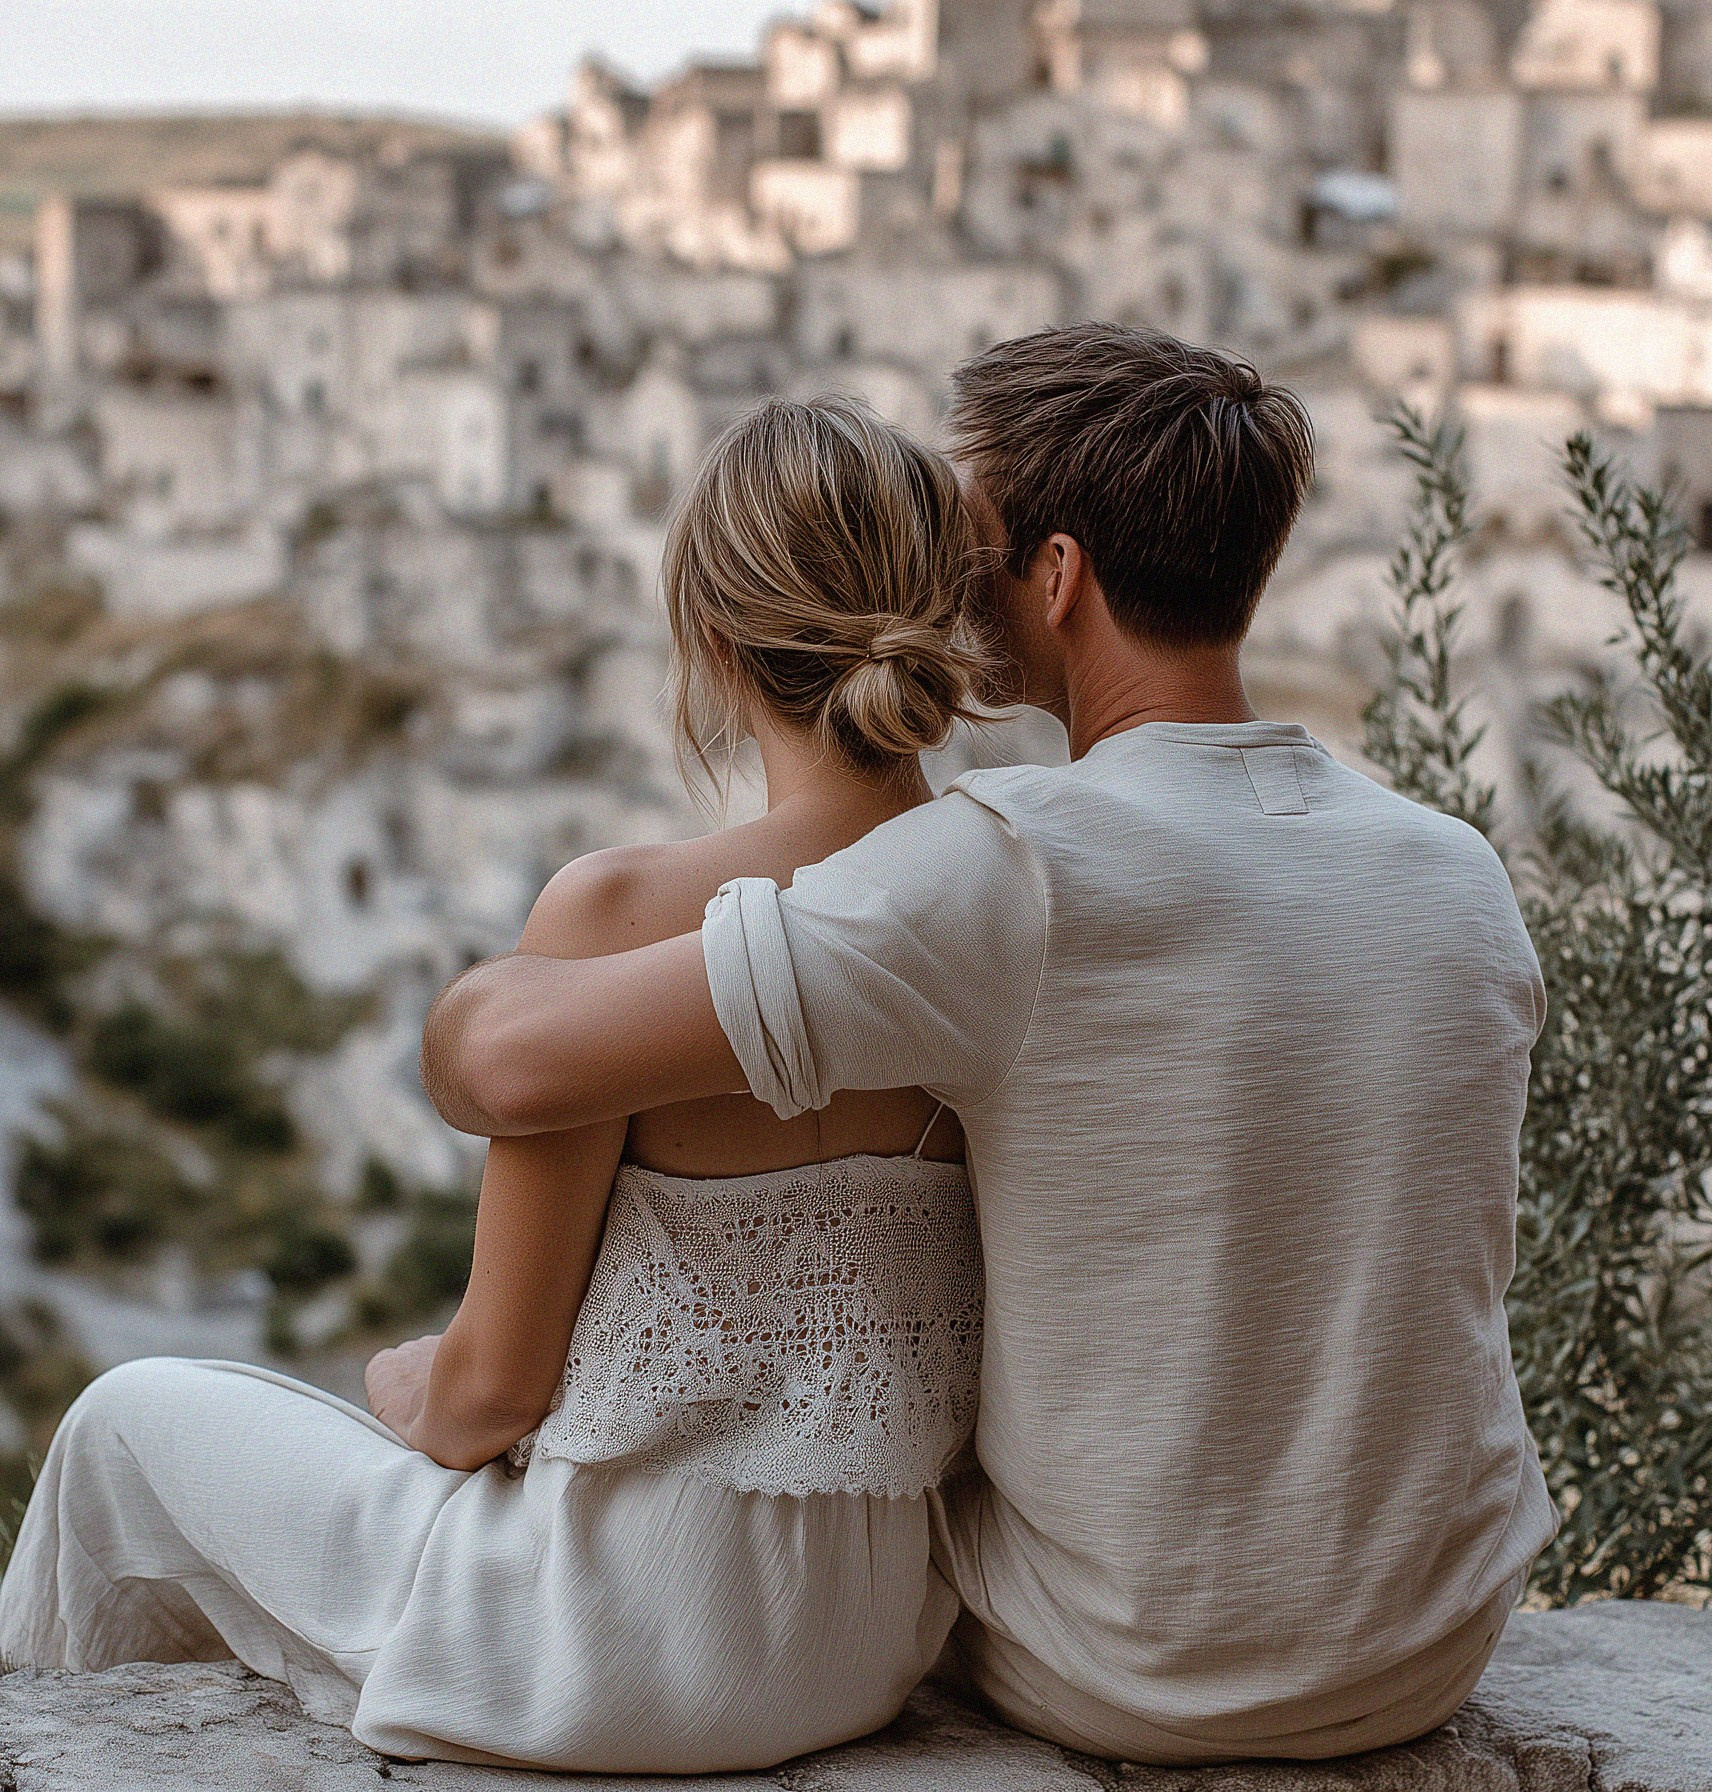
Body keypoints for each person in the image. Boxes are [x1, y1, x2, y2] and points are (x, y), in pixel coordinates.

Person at [419, 323, 1558, 1766]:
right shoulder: (1454, 870)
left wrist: (469, 1008)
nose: (949, 593)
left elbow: (517, 1066)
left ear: (1059, 577)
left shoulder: (1011, 869)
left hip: (1135, 1668)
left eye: (974, 546)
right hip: (1435, 1641)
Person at [0, 396, 989, 1773]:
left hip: (599, 1649)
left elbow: (490, 1396)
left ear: (709, 640)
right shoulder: (1007, 918)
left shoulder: (619, 920)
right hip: (856, 1650)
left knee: (122, 1426)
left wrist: (408, 1389)